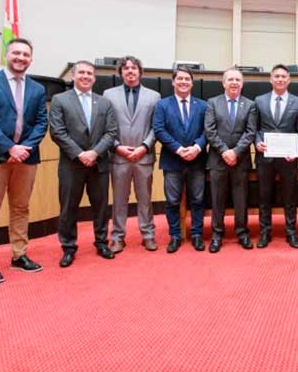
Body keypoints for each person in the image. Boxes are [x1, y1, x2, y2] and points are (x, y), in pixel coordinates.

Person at [0, 38, 47, 283]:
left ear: (31, 59)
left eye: (26, 54)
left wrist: (24, 149)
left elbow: (41, 123)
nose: (21, 58)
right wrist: (9, 148)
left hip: (26, 157)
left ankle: (19, 255)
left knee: (21, 208)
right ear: (7, 54)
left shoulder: (37, 89)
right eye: (17, 53)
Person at [49, 60, 118, 267]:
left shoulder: (104, 103)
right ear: (73, 76)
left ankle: (101, 242)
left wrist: (95, 153)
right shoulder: (60, 100)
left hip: (99, 163)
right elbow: (57, 132)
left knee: (101, 207)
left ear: (94, 78)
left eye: (90, 73)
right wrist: (80, 154)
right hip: (72, 164)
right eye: (82, 73)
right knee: (68, 207)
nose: (86, 76)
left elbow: (111, 132)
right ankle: (68, 247)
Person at [103, 56, 161, 253]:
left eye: (134, 68)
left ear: (140, 72)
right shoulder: (108, 95)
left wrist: (144, 147)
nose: (130, 71)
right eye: (126, 68)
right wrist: (117, 146)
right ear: (120, 72)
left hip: (144, 156)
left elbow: (156, 127)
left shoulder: (154, 96)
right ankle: (117, 237)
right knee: (119, 200)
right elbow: (106, 126)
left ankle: (148, 235)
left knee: (145, 199)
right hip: (119, 156)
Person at [152, 68, 208, 253]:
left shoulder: (203, 105)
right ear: (173, 82)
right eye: (180, 79)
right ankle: (175, 236)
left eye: (187, 79)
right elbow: (159, 130)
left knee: (198, 200)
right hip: (172, 160)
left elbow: (208, 130)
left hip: (197, 160)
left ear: (192, 83)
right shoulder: (162, 105)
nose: (183, 82)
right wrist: (178, 149)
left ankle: (197, 235)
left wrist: (197, 147)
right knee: (172, 201)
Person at [204, 68, 258, 253]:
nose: (234, 83)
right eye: (231, 79)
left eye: (238, 80)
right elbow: (210, 131)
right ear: (223, 83)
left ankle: (242, 233)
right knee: (217, 199)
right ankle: (217, 234)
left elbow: (250, 132)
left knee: (241, 199)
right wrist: (225, 152)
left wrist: (235, 152)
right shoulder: (212, 103)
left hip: (240, 160)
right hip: (218, 159)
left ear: (242, 84)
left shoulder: (250, 105)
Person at [253, 64, 298, 248]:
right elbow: (254, 129)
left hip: (288, 159)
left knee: (290, 198)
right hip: (265, 157)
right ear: (271, 79)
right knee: (264, 197)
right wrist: (257, 142)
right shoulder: (259, 101)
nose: (280, 79)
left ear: (289, 80)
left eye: (284, 76)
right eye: (276, 76)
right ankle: (265, 232)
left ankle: (291, 233)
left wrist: (296, 150)